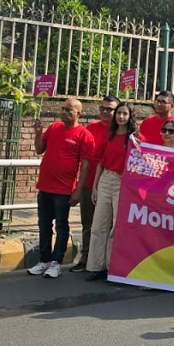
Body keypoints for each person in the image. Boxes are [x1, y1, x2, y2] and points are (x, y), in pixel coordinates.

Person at [28, 99, 94, 279]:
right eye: (63, 109)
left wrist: (78, 190)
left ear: (78, 113)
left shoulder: (84, 135)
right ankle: (44, 260)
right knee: (44, 225)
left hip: (64, 190)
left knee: (61, 226)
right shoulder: (54, 127)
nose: (64, 112)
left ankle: (56, 262)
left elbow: (85, 165)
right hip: (45, 186)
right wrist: (38, 133)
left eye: (69, 110)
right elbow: (39, 149)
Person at [85, 104, 135, 281]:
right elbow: (100, 161)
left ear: (130, 116)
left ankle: (112, 266)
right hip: (106, 179)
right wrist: (95, 186)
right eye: (119, 113)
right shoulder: (109, 135)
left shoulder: (134, 139)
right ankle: (96, 266)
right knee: (99, 225)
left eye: (125, 113)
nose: (121, 117)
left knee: (117, 226)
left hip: (123, 182)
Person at [72, 95, 117, 272]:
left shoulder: (121, 132)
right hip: (89, 183)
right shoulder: (91, 128)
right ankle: (86, 258)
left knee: (109, 225)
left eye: (109, 109)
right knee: (88, 224)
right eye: (102, 108)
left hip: (109, 186)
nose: (105, 112)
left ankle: (106, 262)